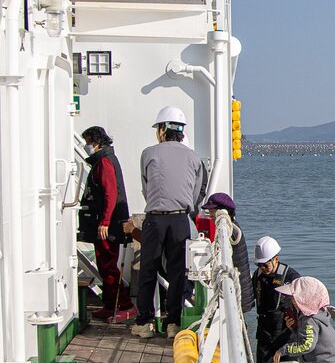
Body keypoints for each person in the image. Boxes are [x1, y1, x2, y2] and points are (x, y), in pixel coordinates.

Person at [131, 106, 207, 338]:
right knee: (178, 273)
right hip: (181, 219)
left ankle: (145, 323)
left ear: (162, 129)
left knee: (148, 270)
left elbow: (146, 188)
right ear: (181, 131)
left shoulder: (149, 153)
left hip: (155, 218)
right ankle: (173, 323)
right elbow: (196, 196)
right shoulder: (195, 158)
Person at [78, 126, 133, 321]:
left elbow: (110, 194)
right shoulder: (106, 160)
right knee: (105, 264)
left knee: (108, 265)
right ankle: (110, 305)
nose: (87, 147)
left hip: (107, 225)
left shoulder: (104, 162)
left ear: (96, 142)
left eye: (88, 143)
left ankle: (125, 304)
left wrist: (105, 222)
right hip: (108, 222)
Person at [250, 236, 299, 363]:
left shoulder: (291, 277)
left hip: (287, 335)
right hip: (265, 334)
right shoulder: (257, 276)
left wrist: (296, 318)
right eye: (259, 265)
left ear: (276, 259)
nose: (262, 268)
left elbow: (304, 301)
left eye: (265, 265)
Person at [200, 192, 255, 314]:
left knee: (236, 322)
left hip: (238, 289)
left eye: (212, 210)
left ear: (223, 211)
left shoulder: (231, 231)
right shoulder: (234, 227)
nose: (210, 214)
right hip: (241, 288)